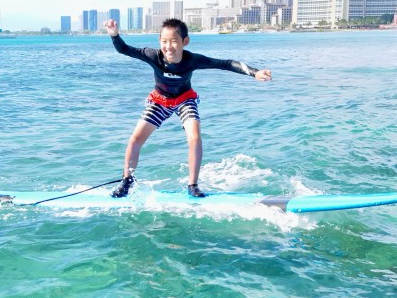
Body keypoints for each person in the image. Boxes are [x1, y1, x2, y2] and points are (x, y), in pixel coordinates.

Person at [105, 18, 272, 198]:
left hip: (185, 100)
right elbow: (124, 49)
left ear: (185, 41)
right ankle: (127, 181)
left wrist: (255, 72)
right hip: (160, 100)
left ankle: (192, 185)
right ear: (159, 41)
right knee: (135, 139)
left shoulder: (192, 60)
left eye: (174, 41)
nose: (168, 46)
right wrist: (114, 34)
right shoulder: (153, 55)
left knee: (194, 138)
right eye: (164, 41)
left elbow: (226, 63)